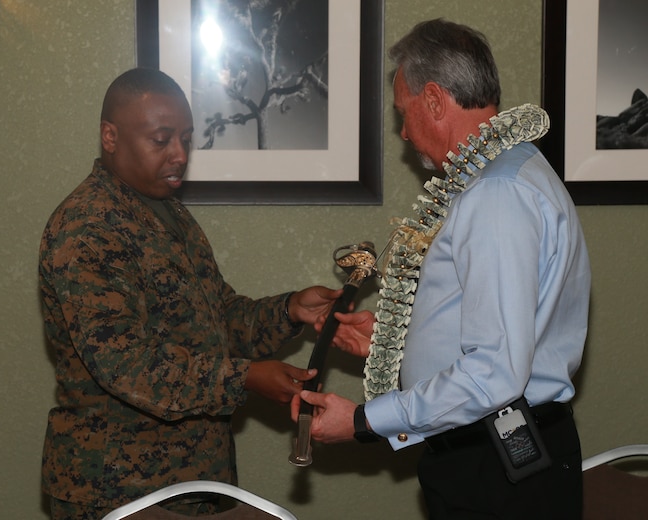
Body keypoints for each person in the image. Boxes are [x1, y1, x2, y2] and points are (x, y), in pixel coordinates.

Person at [292, 19, 591, 520]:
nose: (404, 132)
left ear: (434, 100)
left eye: (404, 114)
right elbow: (494, 325)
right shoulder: (510, 173)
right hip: (495, 457)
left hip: (497, 471)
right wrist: (403, 343)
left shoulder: (497, 193)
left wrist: (365, 421)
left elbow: (494, 374)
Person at [39, 67, 341, 519]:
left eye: (186, 138)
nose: (179, 154)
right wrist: (245, 378)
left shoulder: (167, 212)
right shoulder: (88, 228)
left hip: (194, 481)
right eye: (161, 140)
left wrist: (290, 309)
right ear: (110, 136)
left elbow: (218, 318)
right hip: (119, 487)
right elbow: (129, 365)